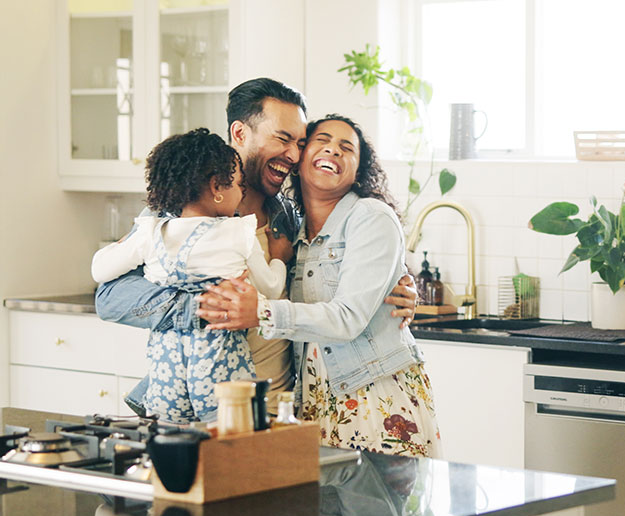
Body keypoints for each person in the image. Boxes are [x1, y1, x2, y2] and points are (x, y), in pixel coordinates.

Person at [94, 78, 418, 416]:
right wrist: (204, 307)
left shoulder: (291, 217)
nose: (294, 154)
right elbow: (108, 299)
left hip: (280, 410)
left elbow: (334, 284)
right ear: (239, 134)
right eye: (283, 139)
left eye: (300, 143)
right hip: (196, 408)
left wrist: (397, 287)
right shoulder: (175, 213)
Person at [198, 115, 442, 457]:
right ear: (299, 162)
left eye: (347, 147)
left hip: (376, 399)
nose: (333, 149)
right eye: (322, 140)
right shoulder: (292, 235)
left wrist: (261, 313)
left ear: (359, 170)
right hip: (313, 405)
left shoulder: (371, 217)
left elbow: (348, 318)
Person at [92, 129, 287, 423]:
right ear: (216, 188)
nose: (241, 192)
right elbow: (271, 289)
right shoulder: (237, 232)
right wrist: (280, 259)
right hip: (221, 362)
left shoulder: (151, 231)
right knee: (229, 442)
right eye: (237, 185)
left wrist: (124, 246)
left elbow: (100, 270)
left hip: (166, 367)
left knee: (172, 442)